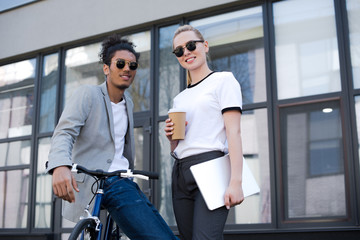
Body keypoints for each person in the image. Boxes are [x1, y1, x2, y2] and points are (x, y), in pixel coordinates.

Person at [46, 34, 178, 240]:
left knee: (162, 231)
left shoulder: (129, 104)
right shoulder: (87, 94)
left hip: (122, 180)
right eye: (120, 63)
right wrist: (59, 165)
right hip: (96, 181)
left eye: (133, 65)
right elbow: (65, 131)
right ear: (106, 68)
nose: (127, 68)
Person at [164, 25, 245, 240]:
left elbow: (234, 132)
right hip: (181, 171)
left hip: (212, 167)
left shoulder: (223, 81)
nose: (186, 52)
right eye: (179, 50)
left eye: (191, 45)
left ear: (205, 46)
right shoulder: (179, 98)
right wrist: (172, 138)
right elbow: (180, 145)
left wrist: (236, 182)